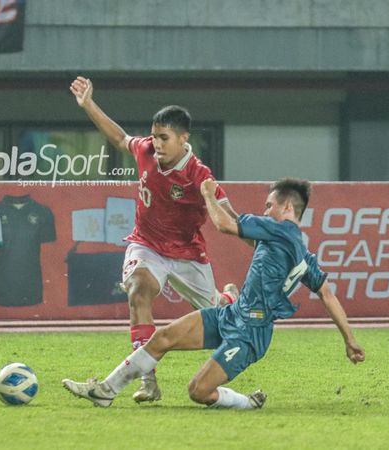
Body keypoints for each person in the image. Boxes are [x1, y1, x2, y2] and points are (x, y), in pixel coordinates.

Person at [62, 178, 365, 409]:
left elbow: (223, 224)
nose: (265, 210)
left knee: (198, 391)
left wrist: (207, 192)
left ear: (287, 208)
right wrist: (350, 340)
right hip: (231, 315)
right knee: (162, 337)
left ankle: (247, 403)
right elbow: (327, 294)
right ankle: (106, 391)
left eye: (269, 205)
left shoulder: (280, 229)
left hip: (250, 333)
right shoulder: (300, 251)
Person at [69, 76, 239, 403]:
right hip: (146, 245)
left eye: (164, 138)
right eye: (154, 136)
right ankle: (148, 381)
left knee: (221, 321)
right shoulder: (145, 149)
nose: (156, 143)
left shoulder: (198, 174)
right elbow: (119, 137)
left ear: (183, 139)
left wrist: (258, 236)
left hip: (187, 255)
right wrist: (88, 103)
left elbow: (227, 210)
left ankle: (227, 301)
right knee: (138, 290)